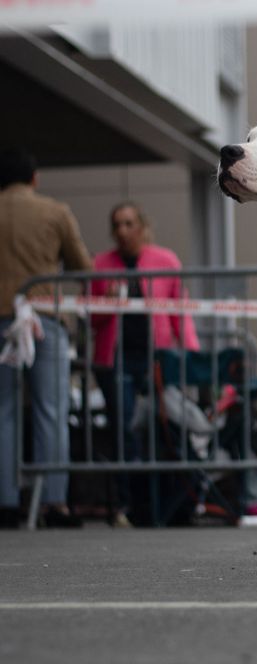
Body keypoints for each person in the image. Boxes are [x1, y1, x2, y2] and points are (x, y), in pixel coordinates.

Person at [91, 201, 199, 526]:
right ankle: (127, 504)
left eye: (128, 223)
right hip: (117, 359)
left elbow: (180, 312)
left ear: (141, 227)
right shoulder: (100, 265)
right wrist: (107, 304)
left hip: (158, 357)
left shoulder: (165, 261)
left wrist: (192, 354)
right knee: (124, 431)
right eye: (117, 225)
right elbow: (92, 320)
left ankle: (164, 501)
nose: (123, 231)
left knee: (164, 428)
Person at [0, 148, 92, 529]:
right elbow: (81, 267)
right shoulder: (55, 212)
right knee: (50, 412)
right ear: (34, 178)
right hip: (44, 318)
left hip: (1, 319)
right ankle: (53, 502)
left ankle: (5, 501)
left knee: (1, 411)